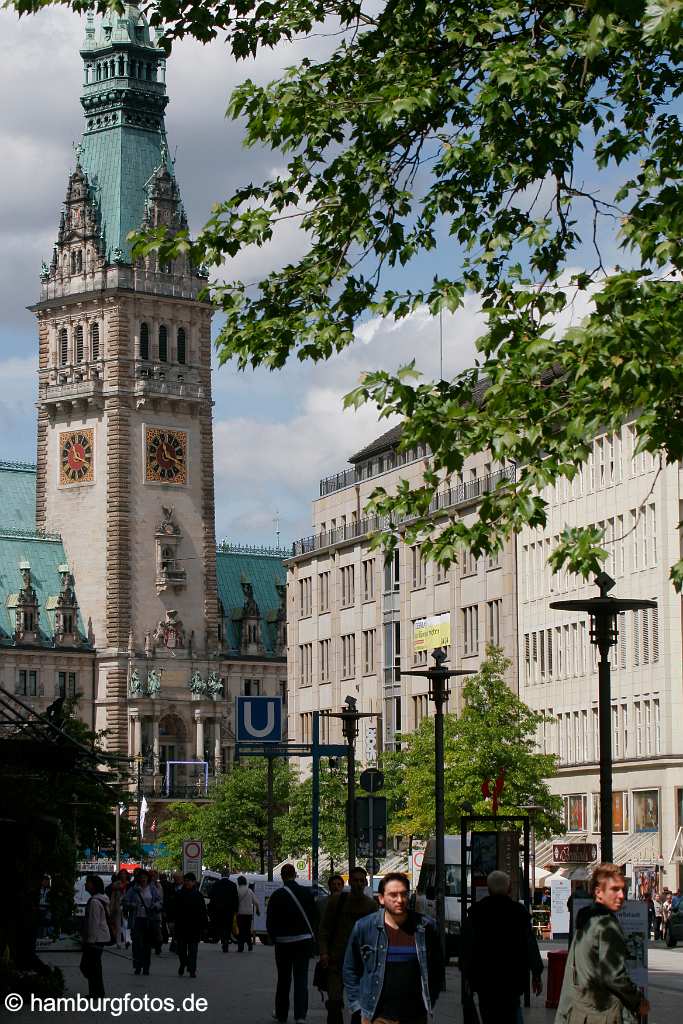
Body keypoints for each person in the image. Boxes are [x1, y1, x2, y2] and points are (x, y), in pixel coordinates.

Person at [343, 871, 443, 1024]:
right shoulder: (365, 927)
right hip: (376, 1015)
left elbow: (436, 970)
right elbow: (350, 969)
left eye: (404, 894)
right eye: (393, 895)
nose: (400, 900)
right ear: (381, 899)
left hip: (414, 1016)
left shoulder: (424, 928)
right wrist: (358, 1007)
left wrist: (429, 1002)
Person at [555, 863, 650, 1024]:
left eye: (623, 890)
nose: (621, 895)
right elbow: (614, 976)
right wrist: (638, 1001)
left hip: (579, 1013)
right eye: (614, 889)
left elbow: (570, 978)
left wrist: (562, 1015)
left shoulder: (585, 922)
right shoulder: (607, 927)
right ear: (598, 892)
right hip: (602, 1015)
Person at [461, 870, 543, 1024]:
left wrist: (467, 976)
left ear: (489, 889)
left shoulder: (476, 912)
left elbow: (467, 947)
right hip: (511, 979)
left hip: (485, 980)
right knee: (512, 1012)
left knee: (488, 1014)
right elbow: (530, 945)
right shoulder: (519, 912)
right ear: (509, 888)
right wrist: (536, 974)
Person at [319, 866, 376, 1024]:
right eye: (355, 880)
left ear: (365, 883)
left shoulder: (371, 906)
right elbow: (324, 929)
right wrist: (324, 952)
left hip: (360, 965)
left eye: (361, 881)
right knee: (335, 1002)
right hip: (336, 960)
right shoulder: (337, 901)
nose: (358, 884)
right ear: (349, 882)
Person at [267, 863, 319, 1024]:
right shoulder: (306, 893)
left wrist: (274, 937)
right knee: (301, 978)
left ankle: (282, 1013)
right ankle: (300, 1015)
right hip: (303, 941)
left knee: (283, 979)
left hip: (283, 943)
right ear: (295, 875)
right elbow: (315, 916)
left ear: (282, 876)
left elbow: (271, 920)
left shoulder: (277, 895)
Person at [123, 868, 163, 976]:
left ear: (148, 878)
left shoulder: (152, 889)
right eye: (141, 877)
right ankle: (137, 966)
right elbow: (126, 901)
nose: (143, 879)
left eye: (145, 877)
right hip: (137, 920)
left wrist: (154, 906)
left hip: (149, 920)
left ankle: (146, 967)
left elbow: (160, 901)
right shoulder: (133, 889)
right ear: (138, 878)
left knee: (147, 945)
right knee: (137, 945)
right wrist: (133, 905)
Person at [80, 874, 110, 998]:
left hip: (96, 939)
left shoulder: (94, 902)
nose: (85, 885)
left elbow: (93, 922)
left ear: (93, 885)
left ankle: (96, 991)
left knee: (89, 965)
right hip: (101, 937)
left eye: (87, 882)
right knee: (94, 965)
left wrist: (90, 940)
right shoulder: (102, 899)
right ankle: (97, 990)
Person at [174, 872, 208, 978]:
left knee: (193, 951)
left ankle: (192, 970)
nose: (187, 883)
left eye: (190, 881)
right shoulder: (179, 894)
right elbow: (174, 910)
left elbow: (203, 912)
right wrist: (171, 922)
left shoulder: (198, 895)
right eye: (186, 881)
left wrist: (204, 926)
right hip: (181, 926)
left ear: (194, 882)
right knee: (181, 950)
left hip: (194, 927)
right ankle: (184, 963)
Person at [208, 869, 239, 952]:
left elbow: (210, 895)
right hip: (229, 910)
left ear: (221, 875)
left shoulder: (216, 884)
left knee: (220, 926)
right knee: (228, 926)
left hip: (218, 910)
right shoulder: (233, 885)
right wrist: (236, 910)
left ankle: (222, 939)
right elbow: (235, 899)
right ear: (228, 875)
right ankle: (225, 941)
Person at [236, 876, 261, 952]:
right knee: (247, 930)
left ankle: (240, 947)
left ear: (239, 882)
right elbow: (256, 902)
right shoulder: (249, 891)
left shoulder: (237, 890)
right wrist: (257, 910)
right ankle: (250, 945)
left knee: (241, 930)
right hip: (248, 914)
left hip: (240, 913)